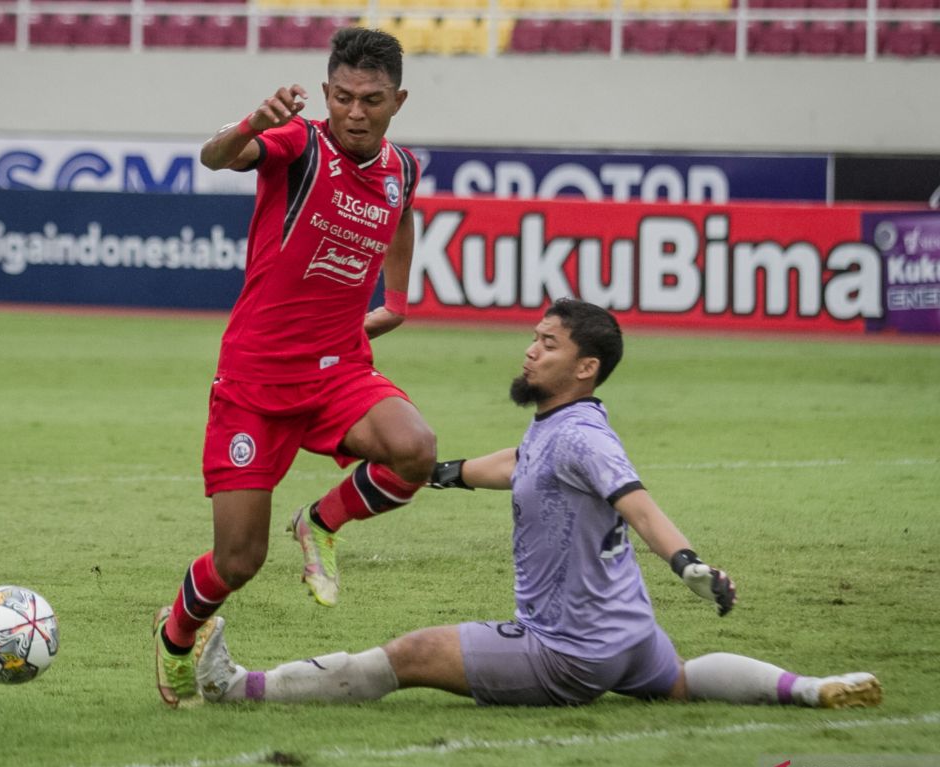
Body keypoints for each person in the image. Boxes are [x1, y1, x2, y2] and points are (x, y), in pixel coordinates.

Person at [191, 299, 883, 711]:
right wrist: (440, 472)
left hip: (568, 653)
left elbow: (638, 503)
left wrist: (687, 563)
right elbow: (521, 465)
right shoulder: (563, 427)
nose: (529, 353)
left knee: (407, 656)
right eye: (534, 338)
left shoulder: (582, 438)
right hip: (629, 637)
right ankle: (810, 689)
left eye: (548, 346)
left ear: (585, 368)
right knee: (675, 683)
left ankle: (241, 688)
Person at [153, 27, 437, 707]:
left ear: (397, 100)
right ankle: (176, 635)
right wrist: (254, 119)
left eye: (371, 99)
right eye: (342, 97)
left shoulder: (402, 167)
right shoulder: (299, 143)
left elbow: (401, 221)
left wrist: (394, 299)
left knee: (415, 451)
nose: (355, 112)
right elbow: (215, 156)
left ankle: (322, 522)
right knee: (237, 562)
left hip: (339, 372)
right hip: (254, 383)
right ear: (328, 93)